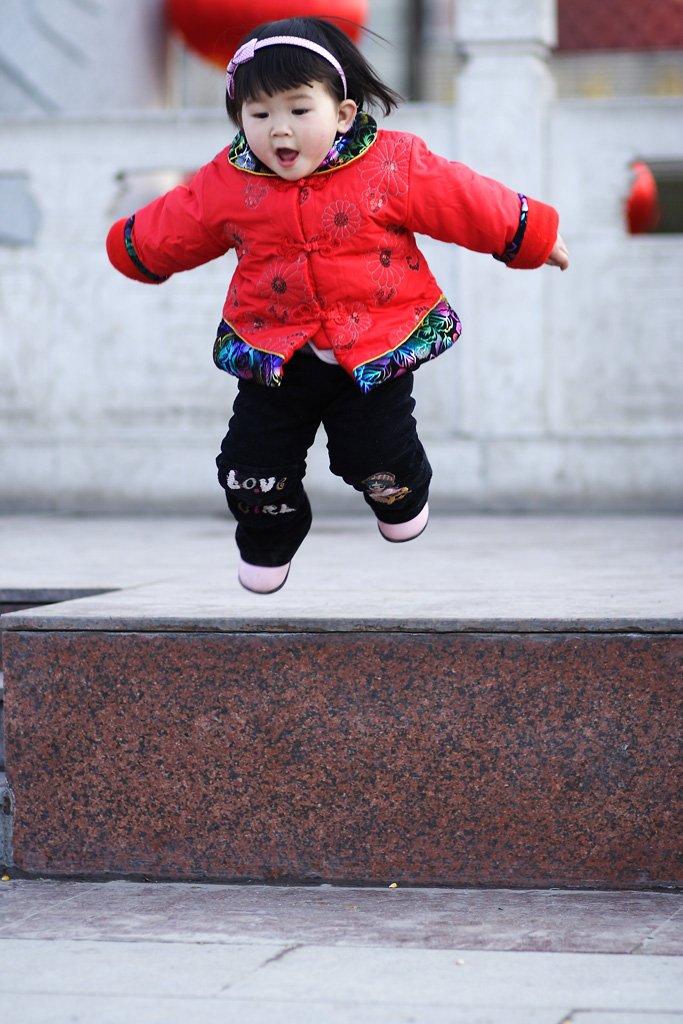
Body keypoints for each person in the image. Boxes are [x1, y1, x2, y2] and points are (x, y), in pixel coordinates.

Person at [106, 16, 569, 594]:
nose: (280, 130)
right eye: (260, 114)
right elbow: (181, 222)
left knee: (377, 461)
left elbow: (462, 199)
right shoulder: (229, 180)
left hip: (374, 346)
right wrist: (132, 249)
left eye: (300, 111)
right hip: (275, 354)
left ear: (342, 113)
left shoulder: (391, 164)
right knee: (252, 472)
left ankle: (402, 495)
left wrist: (531, 235)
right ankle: (267, 545)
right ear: (240, 119)